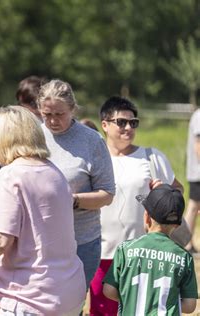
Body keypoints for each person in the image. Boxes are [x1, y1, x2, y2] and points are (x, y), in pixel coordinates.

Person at [0, 106, 86, 315]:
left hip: (31, 295)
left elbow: (1, 241)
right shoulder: (54, 172)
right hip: (68, 290)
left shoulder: (11, 175)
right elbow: (39, 224)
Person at [91, 96, 184, 314]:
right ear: (104, 124)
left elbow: (177, 191)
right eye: (121, 122)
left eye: (133, 123)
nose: (128, 128)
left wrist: (164, 192)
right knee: (102, 310)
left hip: (142, 253)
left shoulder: (151, 156)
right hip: (100, 251)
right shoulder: (94, 158)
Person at [37, 79, 115, 288]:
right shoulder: (33, 136)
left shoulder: (92, 141)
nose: (53, 121)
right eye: (47, 114)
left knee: (72, 304)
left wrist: (73, 201)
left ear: (72, 108)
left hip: (81, 241)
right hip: (39, 240)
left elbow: (107, 194)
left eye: (59, 114)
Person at [103, 184, 197, 314]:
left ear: (146, 217)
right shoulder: (184, 257)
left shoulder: (125, 249)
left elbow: (108, 290)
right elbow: (190, 305)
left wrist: (133, 298)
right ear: (177, 224)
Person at [184, 106, 200, 251]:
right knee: (194, 206)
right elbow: (199, 145)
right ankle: (186, 244)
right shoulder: (199, 115)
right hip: (198, 173)